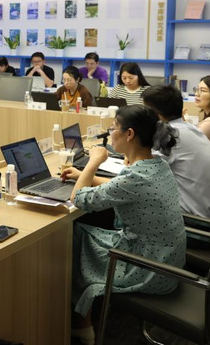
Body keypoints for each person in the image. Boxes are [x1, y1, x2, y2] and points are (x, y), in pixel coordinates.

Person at [61, 105, 185, 343]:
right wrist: (83, 176)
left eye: (113, 128)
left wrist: (93, 162)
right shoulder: (157, 164)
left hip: (147, 268)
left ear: (129, 134)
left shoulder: (134, 176)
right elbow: (120, 187)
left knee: (77, 234)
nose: (110, 133)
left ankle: (82, 325)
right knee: (90, 231)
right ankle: (85, 315)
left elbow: (78, 198)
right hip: (167, 261)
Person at [142, 86, 210, 222]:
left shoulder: (171, 135)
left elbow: (141, 174)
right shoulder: (189, 128)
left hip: (195, 221)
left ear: (154, 114)